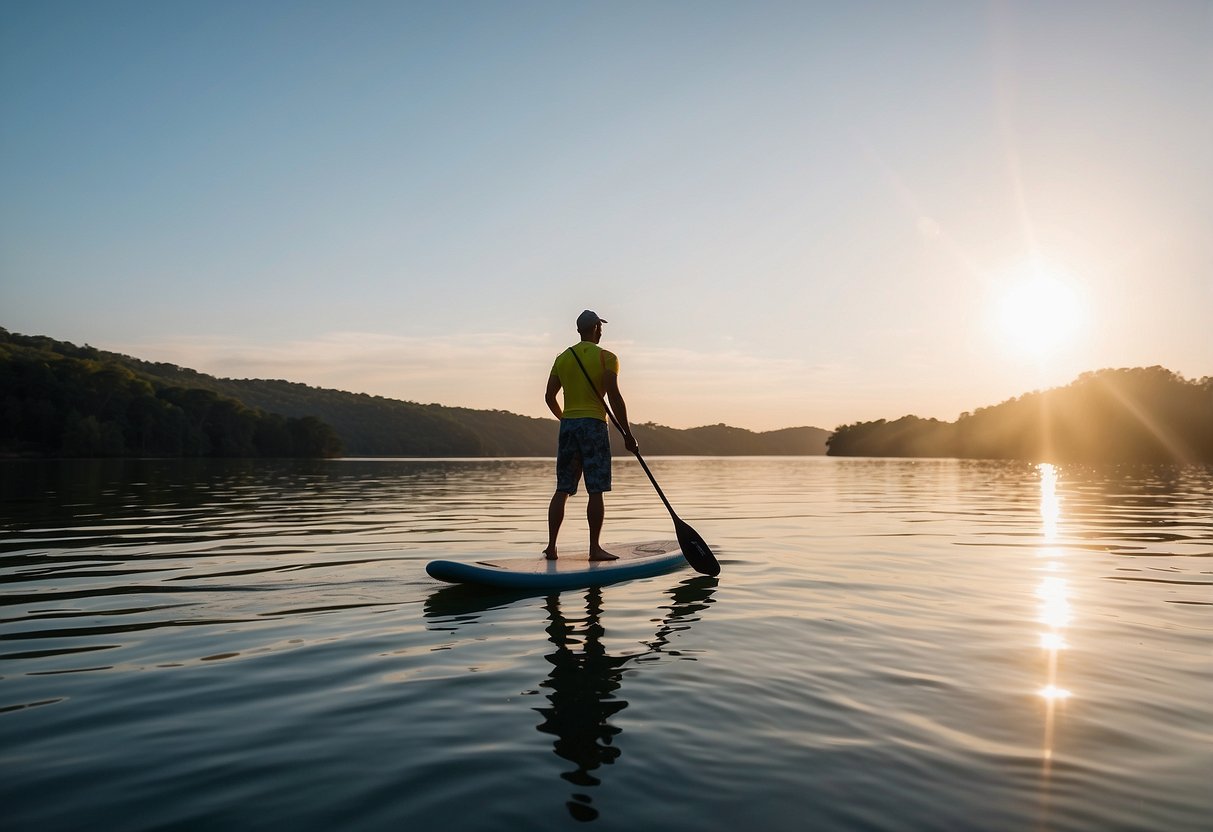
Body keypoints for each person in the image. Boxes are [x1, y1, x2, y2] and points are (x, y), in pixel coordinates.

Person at [544, 309, 639, 561]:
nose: (601, 330)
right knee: (595, 489)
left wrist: (564, 418)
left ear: (579, 330)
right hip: (594, 425)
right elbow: (614, 396)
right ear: (596, 328)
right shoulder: (607, 357)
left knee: (562, 488)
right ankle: (594, 549)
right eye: (600, 326)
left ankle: (552, 547)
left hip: (568, 426)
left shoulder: (562, 358)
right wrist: (628, 434)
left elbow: (549, 397)